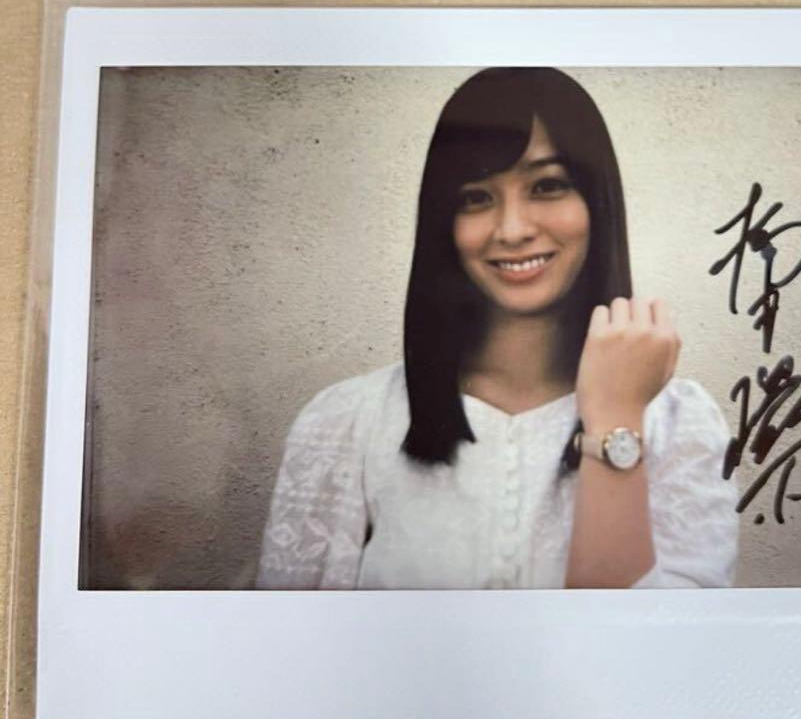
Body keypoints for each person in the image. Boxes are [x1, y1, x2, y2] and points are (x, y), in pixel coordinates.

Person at [256, 68, 738, 590]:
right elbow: (299, 637)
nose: (512, 229)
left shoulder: (681, 424)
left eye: (547, 186)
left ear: (596, 202)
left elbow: (640, 638)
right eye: (475, 197)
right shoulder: (346, 422)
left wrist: (616, 419)